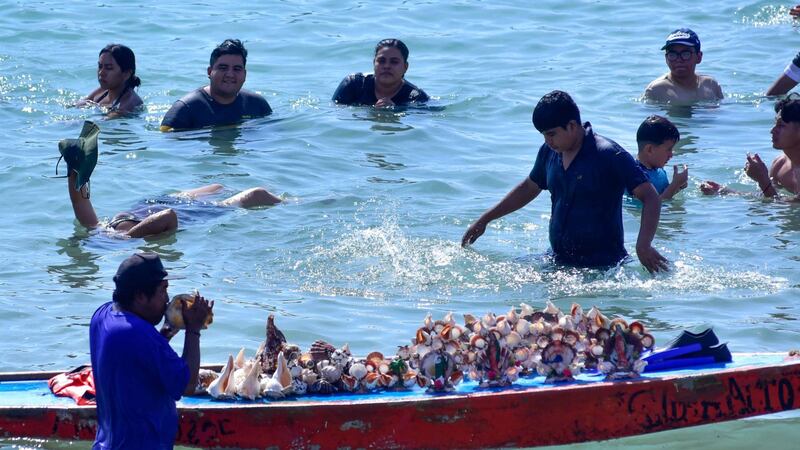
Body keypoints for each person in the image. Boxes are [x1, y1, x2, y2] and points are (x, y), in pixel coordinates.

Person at [461, 91, 668, 273]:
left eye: (552, 134)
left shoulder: (609, 154)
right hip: (558, 259)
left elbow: (651, 197)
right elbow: (528, 188)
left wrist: (643, 246)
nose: (547, 141)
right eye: (543, 135)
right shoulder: (550, 152)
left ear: (572, 125)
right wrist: (485, 219)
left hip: (603, 267)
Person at [58, 121, 281, 238]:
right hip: (155, 207)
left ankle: (295, 204)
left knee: (239, 191)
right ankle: (296, 205)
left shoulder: (103, 232)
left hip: (153, 212)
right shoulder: (98, 228)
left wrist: (75, 169)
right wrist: (75, 170)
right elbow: (80, 201)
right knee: (234, 190)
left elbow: (169, 217)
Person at [90, 252, 213, 449]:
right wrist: (193, 330)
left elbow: (142, 360)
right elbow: (186, 385)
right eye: (162, 291)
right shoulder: (139, 335)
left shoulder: (103, 315)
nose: (166, 300)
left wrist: (169, 329)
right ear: (140, 295)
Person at [160, 39, 272, 131]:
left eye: (237, 69)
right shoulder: (184, 111)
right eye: (223, 68)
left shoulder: (258, 105)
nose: (230, 74)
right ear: (209, 72)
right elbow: (168, 146)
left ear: (245, 74)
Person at [701, 97, 800, 199]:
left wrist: (762, 180)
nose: (772, 130)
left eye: (781, 125)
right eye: (775, 123)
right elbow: (769, 198)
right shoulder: (779, 165)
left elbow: (787, 205)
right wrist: (724, 191)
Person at [332, 38, 429, 107]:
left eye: (394, 62)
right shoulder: (353, 84)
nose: (386, 66)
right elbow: (336, 114)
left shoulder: (416, 97)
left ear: (405, 67)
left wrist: (393, 112)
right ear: (374, 63)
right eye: (381, 61)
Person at [644, 28, 723, 103]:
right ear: (666, 58)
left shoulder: (711, 85)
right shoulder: (657, 90)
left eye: (685, 54)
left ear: (699, 57)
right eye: (672, 54)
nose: (678, 60)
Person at [629, 115, 688, 201]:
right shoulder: (636, 177)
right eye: (668, 149)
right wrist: (674, 185)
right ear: (649, 150)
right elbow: (652, 205)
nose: (671, 155)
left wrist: (679, 186)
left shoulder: (659, 171)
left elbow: (664, 194)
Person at [77, 44, 143, 117]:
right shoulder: (102, 91)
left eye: (109, 68)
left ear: (126, 74)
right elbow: (78, 104)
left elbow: (103, 123)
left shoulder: (128, 103)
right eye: (100, 66)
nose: (101, 73)